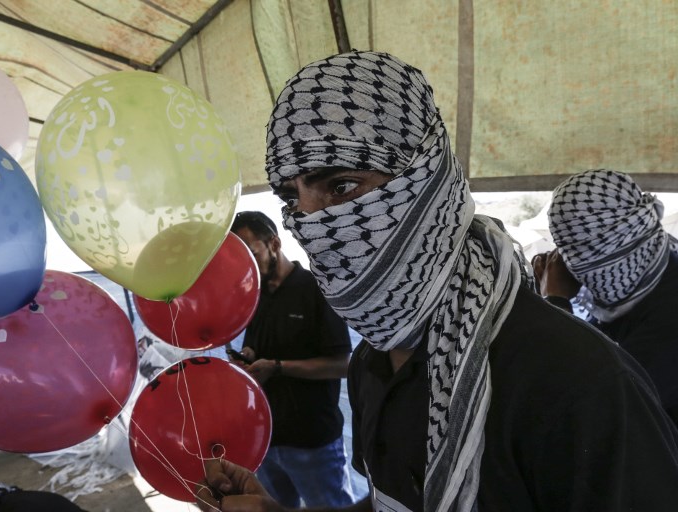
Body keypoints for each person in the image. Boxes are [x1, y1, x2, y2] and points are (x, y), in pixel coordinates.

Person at [195, 50, 678, 512]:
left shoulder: (578, 384)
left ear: (428, 179)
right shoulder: (372, 364)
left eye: (341, 186)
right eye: (293, 199)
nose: (312, 224)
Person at [227, 210, 355, 508]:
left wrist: (278, 368)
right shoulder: (253, 295)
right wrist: (247, 358)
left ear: (274, 243)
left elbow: (343, 364)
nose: (246, 266)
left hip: (312, 443)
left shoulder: (316, 289)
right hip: (266, 440)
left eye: (251, 253)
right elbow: (257, 349)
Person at [533, 168, 678, 425]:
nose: (564, 262)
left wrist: (555, 303)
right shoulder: (641, 273)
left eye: (573, 251)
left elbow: (586, 409)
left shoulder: (668, 318)